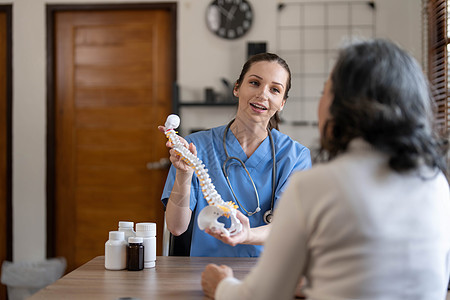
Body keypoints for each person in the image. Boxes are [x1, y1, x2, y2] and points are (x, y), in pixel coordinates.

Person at [201, 39, 450, 299]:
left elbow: (260, 295)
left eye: (325, 91)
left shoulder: (315, 185)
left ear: (343, 107)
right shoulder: (436, 184)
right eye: (255, 83)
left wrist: (221, 284)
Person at [159, 53, 312, 257]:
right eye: (255, 83)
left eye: (275, 89)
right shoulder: (195, 148)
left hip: (266, 275)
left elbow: (289, 226)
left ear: (282, 102)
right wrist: (184, 175)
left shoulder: (295, 157)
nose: (263, 94)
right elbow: (176, 228)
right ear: (237, 88)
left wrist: (246, 235)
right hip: (202, 273)